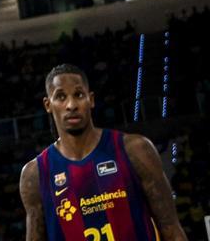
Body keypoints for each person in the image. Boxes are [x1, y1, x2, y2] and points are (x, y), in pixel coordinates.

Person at [19, 64, 187, 241]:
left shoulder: (136, 149)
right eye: (61, 97)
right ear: (48, 104)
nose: (71, 105)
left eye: (78, 95)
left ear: (90, 100)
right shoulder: (35, 174)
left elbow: (171, 228)